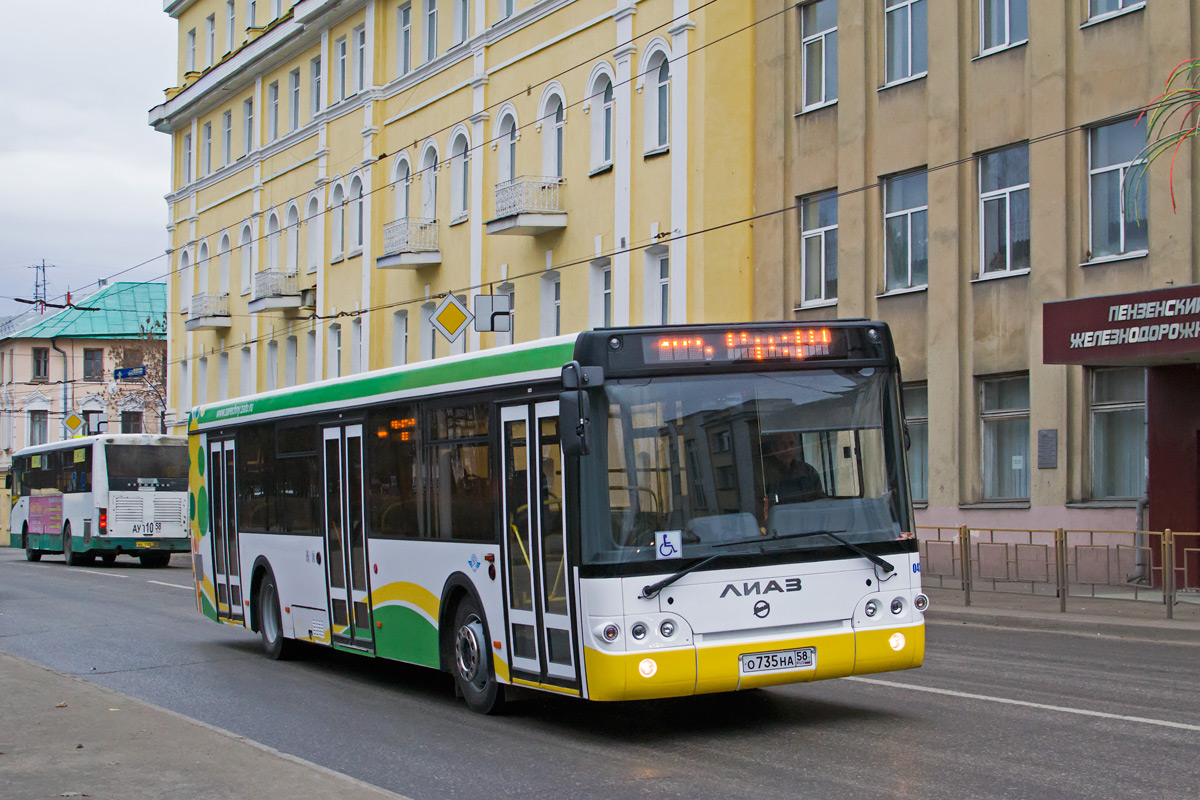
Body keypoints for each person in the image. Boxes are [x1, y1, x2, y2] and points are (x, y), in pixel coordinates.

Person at [761, 432, 825, 514]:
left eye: (791, 444)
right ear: (774, 448)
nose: (788, 449)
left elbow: (822, 503)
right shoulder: (764, 474)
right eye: (783, 444)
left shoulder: (808, 472)